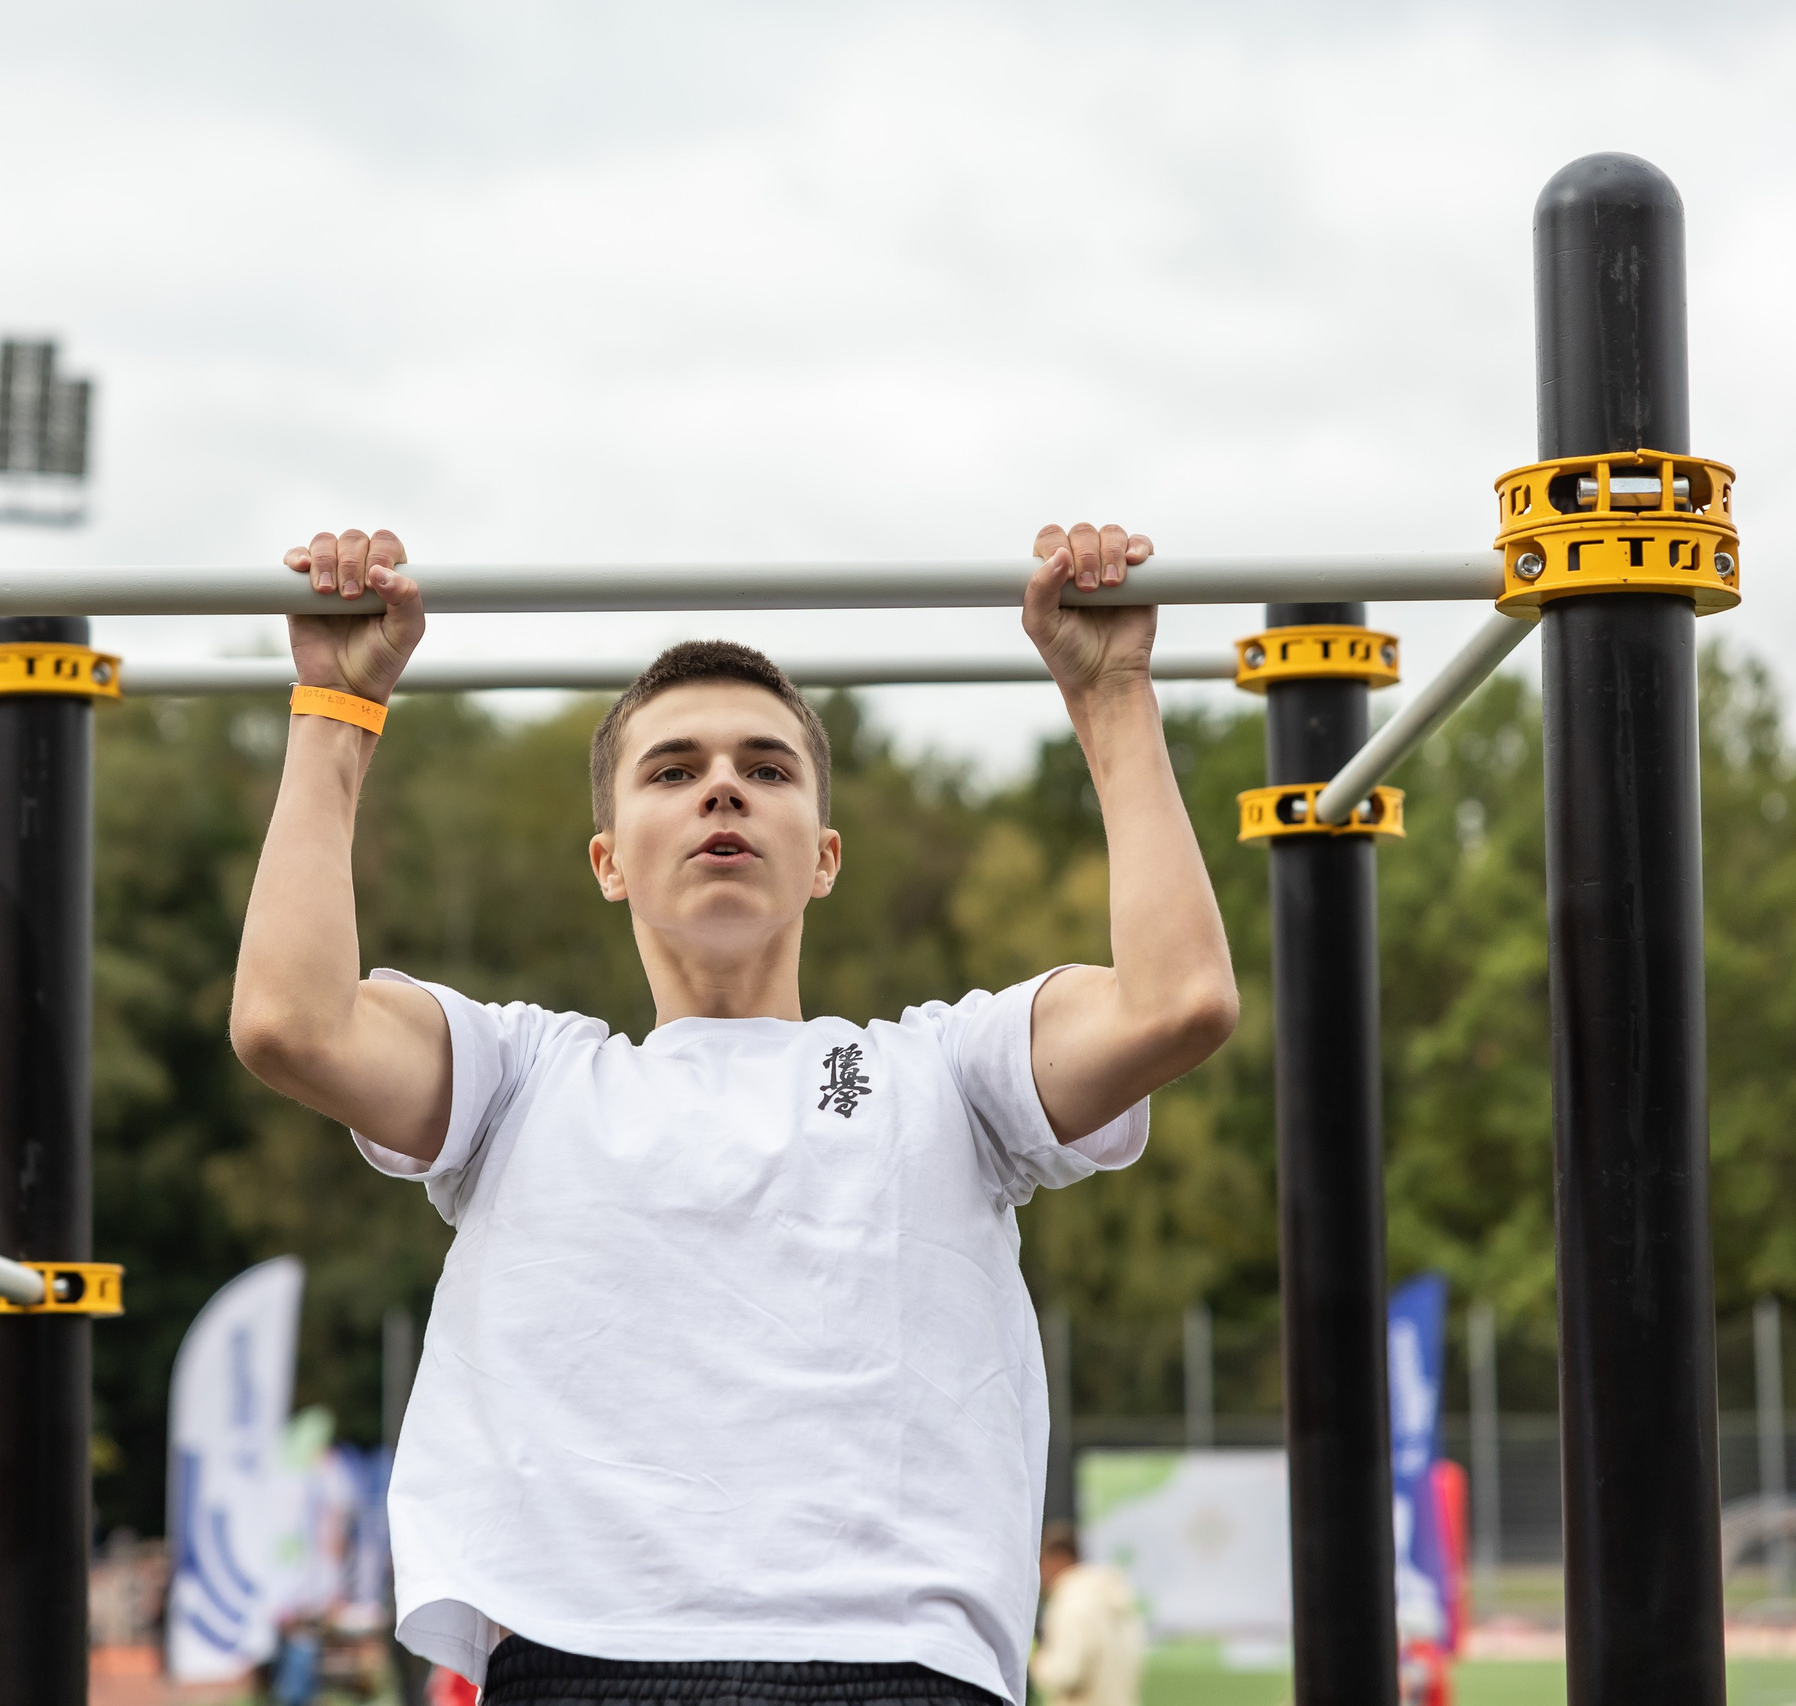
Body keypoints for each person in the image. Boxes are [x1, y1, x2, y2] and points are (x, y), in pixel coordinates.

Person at [232, 524, 1239, 1706]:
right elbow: (290, 1024)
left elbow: (1179, 1001)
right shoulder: (521, 1077)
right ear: (607, 859)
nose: (721, 784)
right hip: (586, 1657)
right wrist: (334, 711)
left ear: (823, 855)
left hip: (898, 1661)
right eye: (672, 769)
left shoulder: (943, 1069)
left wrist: (1112, 696)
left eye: (766, 767)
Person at [1030, 1524, 1146, 1706]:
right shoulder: (1118, 1598)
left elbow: (1065, 1672)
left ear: (1059, 1558)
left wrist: (1037, 1662)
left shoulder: (1071, 1601)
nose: (1040, 1573)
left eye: (1042, 1561)